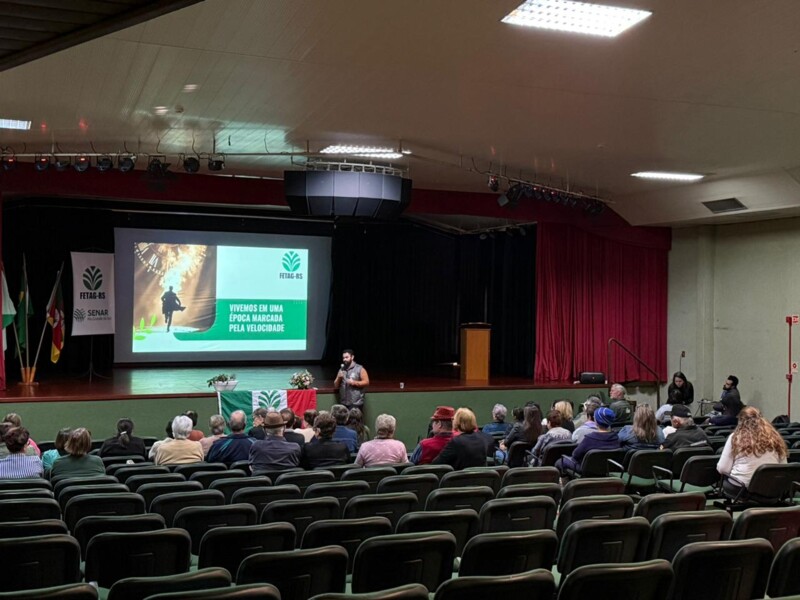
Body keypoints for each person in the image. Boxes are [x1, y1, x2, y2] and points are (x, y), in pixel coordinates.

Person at [717, 406, 788, 493]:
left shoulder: (735, 437)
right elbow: (783, 465)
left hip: (741, 488)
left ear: (741, 421)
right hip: (770, 487)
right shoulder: (775, 437)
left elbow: (723, 469)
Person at [556, 407, 620, 477]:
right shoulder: (616, 438)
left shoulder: (589, 438)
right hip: (607, 470)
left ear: (596, 420)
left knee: (560, 461)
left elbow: (575, 455)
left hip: (587, 470)